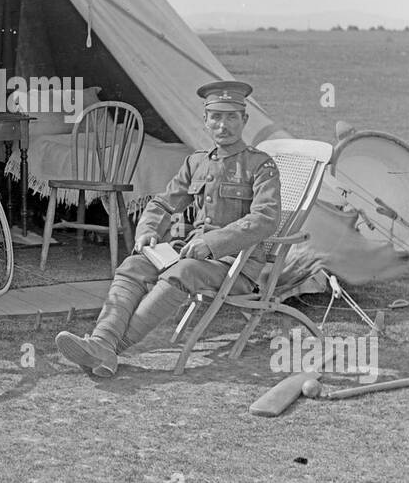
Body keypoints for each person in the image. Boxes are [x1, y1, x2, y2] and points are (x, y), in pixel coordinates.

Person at [55, 80, 282, 377]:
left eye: (231, 117)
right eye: (216, 117)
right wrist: (148, 230)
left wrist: (212, 243)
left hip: (235, 265)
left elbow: (266, 217)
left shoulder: (260, 165)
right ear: (205, 121)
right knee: (134, 265)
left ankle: (108, 349)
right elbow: (163, 203)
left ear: (244, 120)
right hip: (190, 252)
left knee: (182, 271)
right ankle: (102, 343)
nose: (223, 125)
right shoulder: (196, 163)